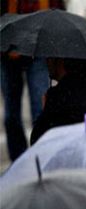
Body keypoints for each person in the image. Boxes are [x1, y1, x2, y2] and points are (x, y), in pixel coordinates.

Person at [0, 0, 63, 161]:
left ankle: (41, 159)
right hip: (8, 48)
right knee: (11, 116)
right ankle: (19, 163)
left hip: (38, 46)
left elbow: (56, 7)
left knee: (40, 109)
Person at [30, 58, 86, 144]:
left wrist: (44, 111)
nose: (47, 63)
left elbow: (37, 141)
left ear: (60, 61)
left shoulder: (58, 95)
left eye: (49, 58)